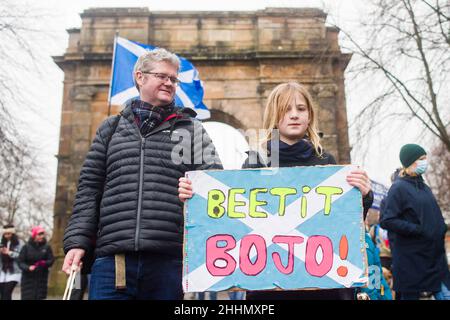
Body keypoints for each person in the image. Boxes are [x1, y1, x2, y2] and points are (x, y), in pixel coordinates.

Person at [178, 82, 374, 300]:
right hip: (268, 287)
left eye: (301, 109)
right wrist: (195, 198)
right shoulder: (255, 164)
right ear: (274, 115)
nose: (294, 115)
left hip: (320, 286)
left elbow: (343, 224)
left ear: (309, 115)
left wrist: (363, 196)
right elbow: (230, 223)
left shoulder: (326, 162)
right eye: (286, 109)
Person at [62, 48, 222, 300]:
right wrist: (77, 242)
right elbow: (89, 189)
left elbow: (216, 184)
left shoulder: (192, 130)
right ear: (140, 77)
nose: (169, 83)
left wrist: (197, 188)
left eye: (173, 79)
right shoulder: (110, 128)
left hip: (168, 261)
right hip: (113, 262)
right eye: (162, 76)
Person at [380, 144, 450, 300]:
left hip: (435, 258)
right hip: (413, 260)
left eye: (425, 158)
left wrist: (441, 227)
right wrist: (417, 229)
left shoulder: (424, 187)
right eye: (421, 159)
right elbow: (387, 220)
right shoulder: (398, 188)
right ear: (410, 162)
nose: (425, 162)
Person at [18, 226, 54, 300]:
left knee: (40, 297)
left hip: (42, 278)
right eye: (39, 234)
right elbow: (20, 262)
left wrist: (44, 263)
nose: (42, 236)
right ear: (34, 235)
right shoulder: (26, 247)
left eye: (43, 234)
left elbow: (51, 260)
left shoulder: (47, 247)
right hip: (28, 279)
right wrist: (28, 267)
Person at [0, 224, 23, 300]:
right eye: (5, 234)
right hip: (3, 271)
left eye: (9, 233)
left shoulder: (19, 243)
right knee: (2, 293)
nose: (7, 235)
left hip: (14, 271)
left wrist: (9, 253)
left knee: (7, 291)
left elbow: (21, 256)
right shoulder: (1, 243)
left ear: (13, 233)